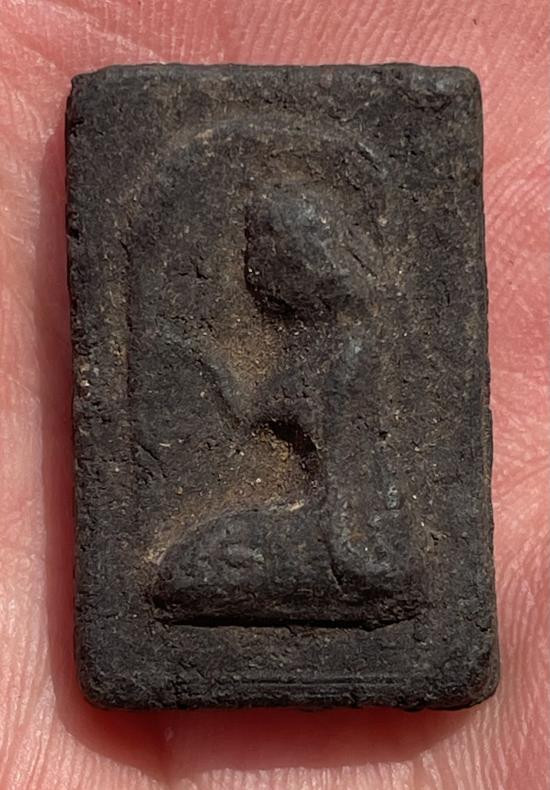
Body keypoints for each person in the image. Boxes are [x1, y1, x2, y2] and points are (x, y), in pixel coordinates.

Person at [0, 1, 548, 788]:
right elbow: (263, 411)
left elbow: (357, 494)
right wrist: (198, 361)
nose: (253, 269)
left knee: (192, 569)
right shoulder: (317, 346)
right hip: (330, 532)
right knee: (184, 565)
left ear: (305, 258)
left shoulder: (355, 350)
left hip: (355, 547)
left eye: (264, 251)